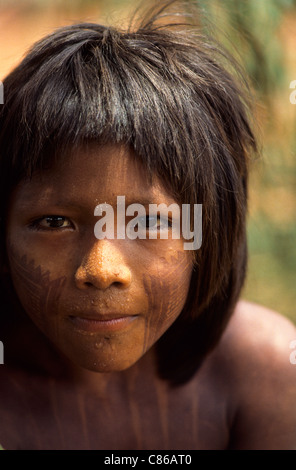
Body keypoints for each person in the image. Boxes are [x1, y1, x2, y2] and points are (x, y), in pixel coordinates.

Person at [0, 0, 295, 450]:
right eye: (54, 221)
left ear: (209, 235)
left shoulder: (267, 369)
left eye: (149, 221)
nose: (101, 269)